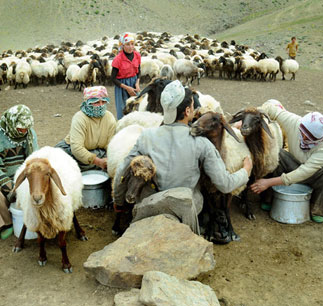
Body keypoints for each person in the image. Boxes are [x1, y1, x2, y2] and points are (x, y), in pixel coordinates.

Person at [113, 80, 252, 236]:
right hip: (184, 208)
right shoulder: (202, 143)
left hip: (150, 205)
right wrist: (245, 171)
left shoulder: (146, 136)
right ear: (187, 111)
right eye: (193, 105)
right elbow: (224, 184)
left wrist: (119, 203)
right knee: (197, 194)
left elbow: (121, 173)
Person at [250, 100, 323, 223]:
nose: (304, 138)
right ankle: (270, 198)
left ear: (320, 138)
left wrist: (268, 182)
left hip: (317, 176)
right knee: (277, 153)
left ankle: (319, 207)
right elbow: (270, 109)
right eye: (303, 133)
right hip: (295, 164)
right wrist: (248, 119)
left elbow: (304, 172)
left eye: (309, 137)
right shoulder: (296, 122)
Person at [0, 104, 38, 239]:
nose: (24, 132)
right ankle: (6, 223)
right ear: (11, 123)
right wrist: (12, 189)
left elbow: (33, 159)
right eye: (20, 128)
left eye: (26, 128)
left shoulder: (29, 134)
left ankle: (31, 220)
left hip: (23, 174)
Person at [55, 86, 116, 171]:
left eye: (103, 102)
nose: (100, 105)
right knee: (65, 164)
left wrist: (109, 158)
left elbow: (111, 143)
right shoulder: (80, 118)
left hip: (98, 151)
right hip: (72, 150)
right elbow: (77, 148)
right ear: (88, 102)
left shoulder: (109, 117)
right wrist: (98, 162)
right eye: (96, 102)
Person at [111, 32, 141, 120]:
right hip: (121, 87)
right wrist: (127, 88)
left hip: (134, 84)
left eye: (132, 44)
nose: (131, 47)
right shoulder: (118, 59)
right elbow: (113, 78)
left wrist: (137, 83)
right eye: (127, 44)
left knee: (136, 108)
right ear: (122, 45)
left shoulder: (137, 55)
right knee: (123, 111)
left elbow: (139, 71)